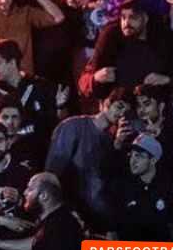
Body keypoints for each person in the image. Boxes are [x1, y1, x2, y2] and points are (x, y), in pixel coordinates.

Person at [45, 87, 132, 227]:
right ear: (106, 103)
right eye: (119, 107)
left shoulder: (113, 140)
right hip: (72, 214)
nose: (121, 114)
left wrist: (117, 146)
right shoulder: (74, 126)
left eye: (126, 112)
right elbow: (53, 173)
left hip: (99, 218)